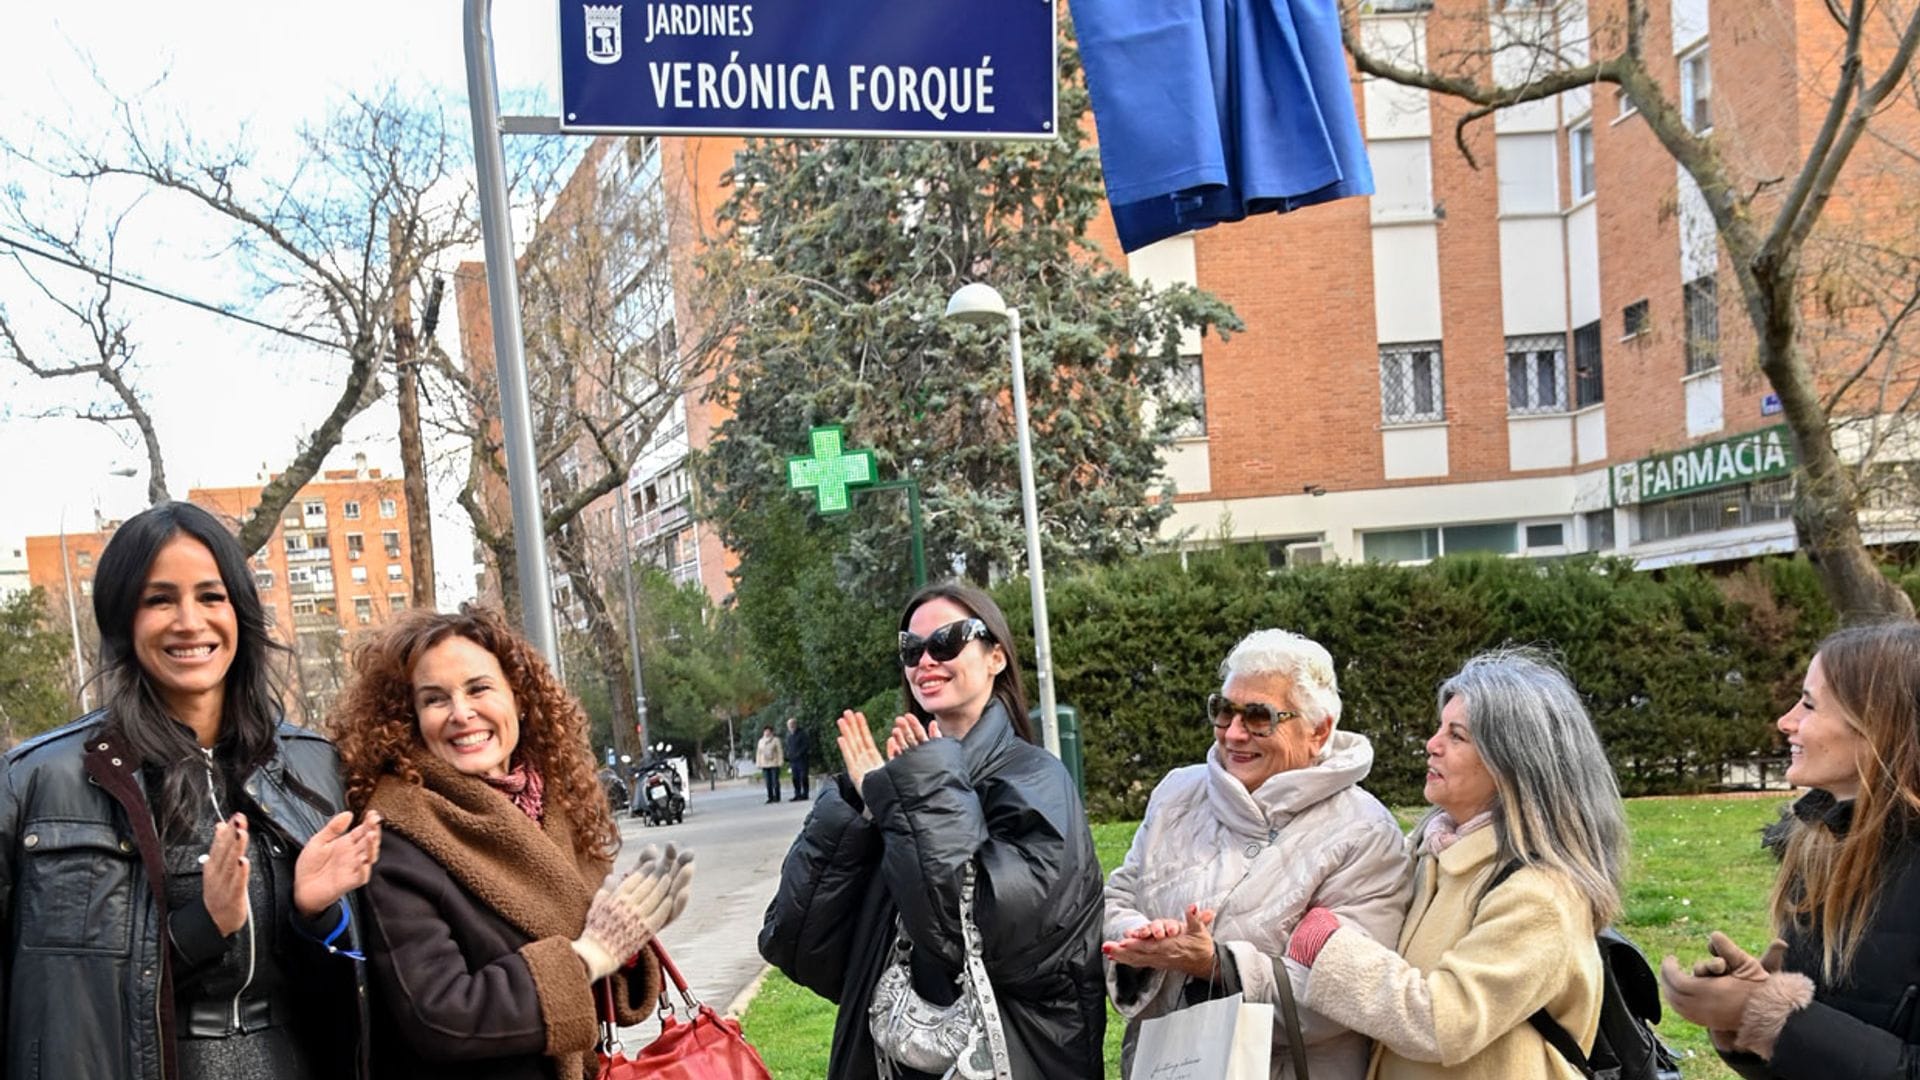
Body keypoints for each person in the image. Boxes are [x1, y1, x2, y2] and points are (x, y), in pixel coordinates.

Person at [0, 500, 383, 1079]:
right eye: (159, 600)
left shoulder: (312, 765)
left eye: (211, 596)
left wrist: (315, 913)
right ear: (123, 619)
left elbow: (347, 987)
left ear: (240, 611)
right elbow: (77, 1004)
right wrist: (206, 924)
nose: (189, 621)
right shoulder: (39, 781)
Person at [760, 581, 1107, 1078]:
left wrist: (919, 795)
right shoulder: (904, 784)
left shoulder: (1036, 779)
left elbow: (977, 937)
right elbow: (797, 946)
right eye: (912, 647)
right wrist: (858, 811)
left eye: (946, 641)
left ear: (996, 658)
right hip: (883, 1059)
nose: (925, 660)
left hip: (1011, 1055)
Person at [333, 605, 694, 1080]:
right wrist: (586, 957)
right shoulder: (398, 836)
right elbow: (439, 1015)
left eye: (478, 688)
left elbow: (597, 988)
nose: (461, 713)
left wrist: (624, 938)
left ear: (519, 697)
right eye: (435, 699)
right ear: (410, 719)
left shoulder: (558, 806)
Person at [1287, 648, 1629, 1080]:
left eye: (1457, 736)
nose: (1431, 745)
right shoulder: (1431, 853)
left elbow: (1442, 1022)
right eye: (1439, 729)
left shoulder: (1541, 894)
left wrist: (1328, 946)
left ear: (1513, 761)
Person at [1103, 629, 1413, 1079]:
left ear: (1319, 730)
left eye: (1258, 717)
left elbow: (1351, 993)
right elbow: (1119, 897)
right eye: (1224, 710)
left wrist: (1215, 964)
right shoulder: (1176, 794)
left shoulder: (1365, 831)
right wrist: (1144, 937)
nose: (1233, 733)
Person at [1659, 622, 1920, 1078]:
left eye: (1810, 704)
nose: (1787, 721)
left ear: (1879, 725)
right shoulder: (1822, 846)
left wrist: (1773, 1018)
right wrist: (1742, 1026)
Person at [757, 723, 785, 804]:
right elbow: (758, 753)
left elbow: (780, 751)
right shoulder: (761, 741)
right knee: (768, 782)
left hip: (774, 763)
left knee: (775, 781)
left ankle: (777, 796)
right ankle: (770, 797)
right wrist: (758, 763)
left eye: (768, 731)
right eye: (765, 731)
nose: (767, 733)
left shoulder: (776, 740)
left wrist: (780, 761)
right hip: (764, 764)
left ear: (771, 732)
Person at [786, 716, 813, 801]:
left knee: (803, 777)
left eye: (792, 724)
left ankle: (805, 794)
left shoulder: (802, 734)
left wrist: (799, 754)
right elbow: (789, 748)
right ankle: (797, 794)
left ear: (795, 724)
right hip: (793, 761)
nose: (790, 727)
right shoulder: (790, 736)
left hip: (802, 760)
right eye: (789, 725)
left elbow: (806, 746)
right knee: (795, 778)